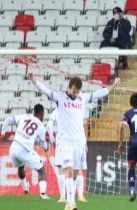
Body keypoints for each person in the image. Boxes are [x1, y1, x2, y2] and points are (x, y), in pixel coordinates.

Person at [27, 73, 120, 210]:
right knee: (68, 172)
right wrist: (34, 80)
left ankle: (71, 203)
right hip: (65, 142)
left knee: (76, 173)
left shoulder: (82, 98)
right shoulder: (60, 97)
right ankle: (70, 203)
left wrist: (114, 84)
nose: (76, 94)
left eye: (78, 92)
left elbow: (101, 93)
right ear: (69, 87)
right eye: (74, 91)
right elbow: (45, 90)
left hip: (78, 142)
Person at [1, 104, 50, 199]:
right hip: (24, 150)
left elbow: (7, 120)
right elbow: (45, 148)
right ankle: (43, 195)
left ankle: (25, 190)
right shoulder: (41, 127)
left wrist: (3, 134)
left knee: (20, 168)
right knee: (41, 169)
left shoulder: (24, 116)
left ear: (33, 112)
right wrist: (45, 142)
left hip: (13, 148)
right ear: (42, 114)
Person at [47, 108, 87, 203]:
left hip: (62, 142)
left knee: (61, 169)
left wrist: (53, 141)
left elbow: (49, 125)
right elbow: (80, 127)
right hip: (77, 141)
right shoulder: (74, 108)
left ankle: (63, 197)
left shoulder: (56, 111)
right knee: (77, 169)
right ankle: (80, 195)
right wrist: (84, 143)